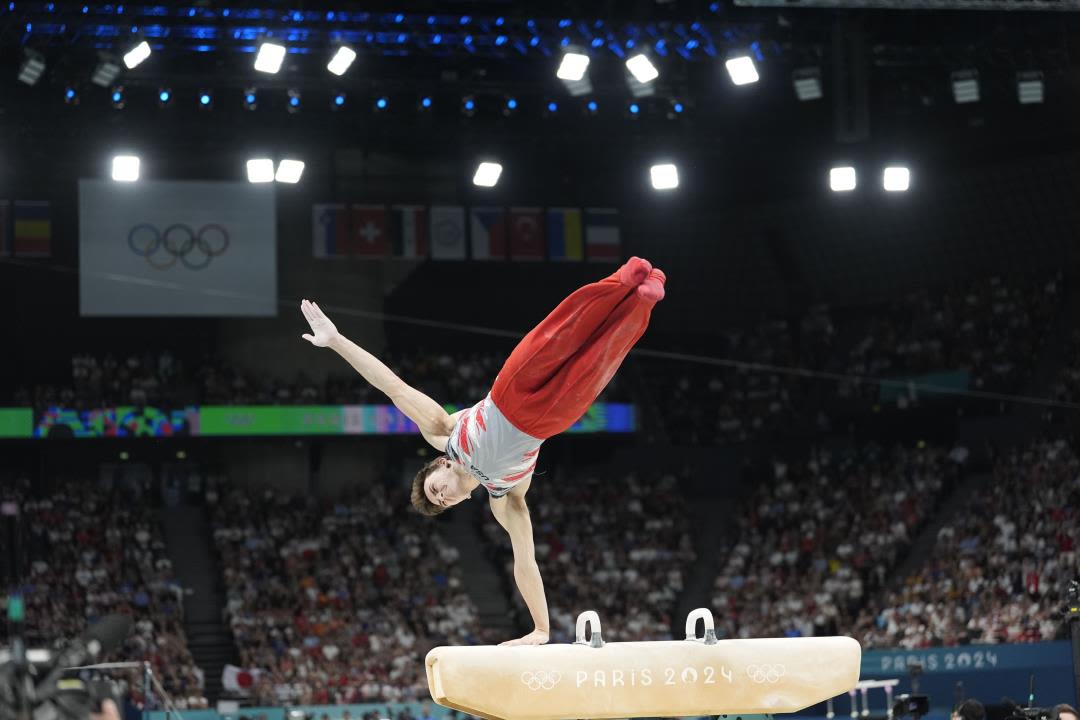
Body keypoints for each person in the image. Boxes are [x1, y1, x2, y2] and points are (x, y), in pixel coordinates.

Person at [300, 256, 666, 645]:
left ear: (439, 464)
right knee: (601, 357)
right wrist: (541, 629)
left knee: (562, 333)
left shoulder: (445, 435)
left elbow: (393, 387)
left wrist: (336, 341)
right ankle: (644, 298)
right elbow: (526, 562)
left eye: (433, 489)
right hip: (549, 421)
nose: (441, 496)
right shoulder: (504, 497)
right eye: (442, 503)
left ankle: (623, 279)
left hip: (510, 391)